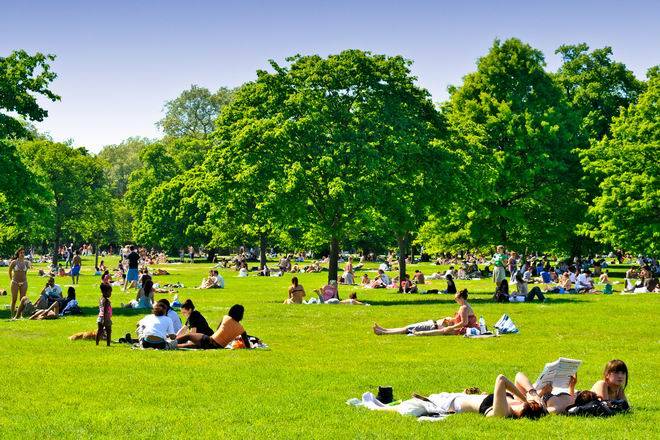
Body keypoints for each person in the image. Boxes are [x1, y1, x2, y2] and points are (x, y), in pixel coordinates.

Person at [365, 374, 546, 419]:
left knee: (403, 409)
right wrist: (533, 393)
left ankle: (378, 403)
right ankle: (384, 400)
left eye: (525, 404)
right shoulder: (514, 404)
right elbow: (519, 376)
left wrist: (524, 398)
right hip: (455, 396)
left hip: (448, 404)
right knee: (409, 404)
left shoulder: (501, 412)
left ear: (524, 410)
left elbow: (501, 379)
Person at [373, 289, 478, 336]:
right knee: (408, 327)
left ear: (461, 298)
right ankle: (384, 330)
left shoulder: (464, 307)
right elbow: (463, 321)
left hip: (435, 326)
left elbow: (464, 323)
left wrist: (450, 326)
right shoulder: (466, 306)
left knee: (408, 328)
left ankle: (383, 332)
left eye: (456, 299)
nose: (456, 301)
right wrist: (451, 319)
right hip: (435, 324)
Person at [177, 304, 250, 349]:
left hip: (210, 341)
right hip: (218, 347)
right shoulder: (241, 329)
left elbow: (218, 330)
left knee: (189, 335)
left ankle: (170, 343)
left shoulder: (226, 318)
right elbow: (247, 344)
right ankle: (173, 346)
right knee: (190, 345)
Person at [8, 247, 30, 316]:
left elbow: (25, 272)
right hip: (15, 282)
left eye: (23, 253)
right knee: (14, 299)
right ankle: (12, 315)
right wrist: (11, 279)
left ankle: (20, 315)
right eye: (21, 253)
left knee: (22, 299)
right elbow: (9, 271)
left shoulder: (26, 262)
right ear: (18, 253)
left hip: (24, 282)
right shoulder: (14, 262)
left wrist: (24, 279)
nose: (22, 254)